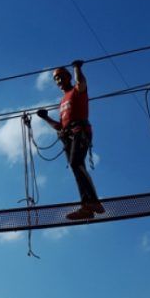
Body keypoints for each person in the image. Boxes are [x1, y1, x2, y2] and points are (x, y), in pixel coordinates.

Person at [36, 60, 105, 220]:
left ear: (69, 77)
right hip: (68, 136)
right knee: (76, 167)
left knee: (76, 163)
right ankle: (87, 207)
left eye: (61, 77)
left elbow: (81, 83)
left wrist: (77, 68)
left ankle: (93, 202)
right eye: (56, 78)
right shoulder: (62, 102)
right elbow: (60, 126)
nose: (59, 80)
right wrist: (46, 118)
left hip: (80, 131)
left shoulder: (77, 91)